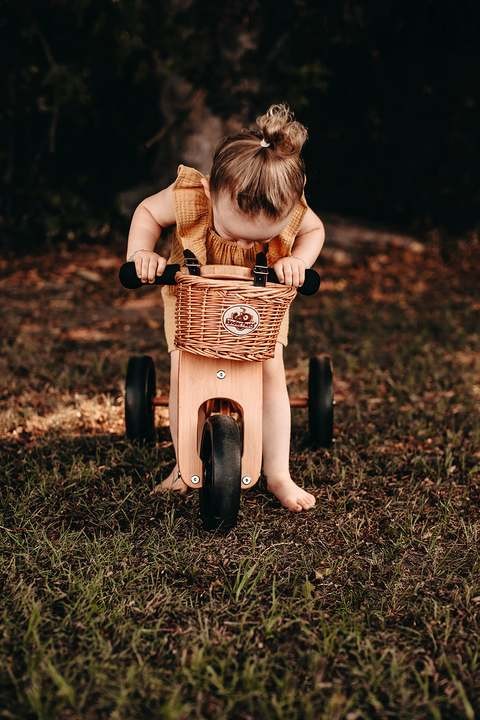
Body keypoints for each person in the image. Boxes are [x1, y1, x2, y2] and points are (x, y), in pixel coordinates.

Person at [126, 104, 325, 512]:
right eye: (235, 233)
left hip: (259, 307)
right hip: (195, 304)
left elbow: (314, 230)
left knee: (271, 374)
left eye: (262, 240)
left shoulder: (289, 202)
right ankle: (184, 469)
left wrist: (298, 262)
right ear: (214, 190)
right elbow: (147, 212)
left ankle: (278, 474)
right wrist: (140, 253)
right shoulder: (190, 196)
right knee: (186, 374)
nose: (250, 246)